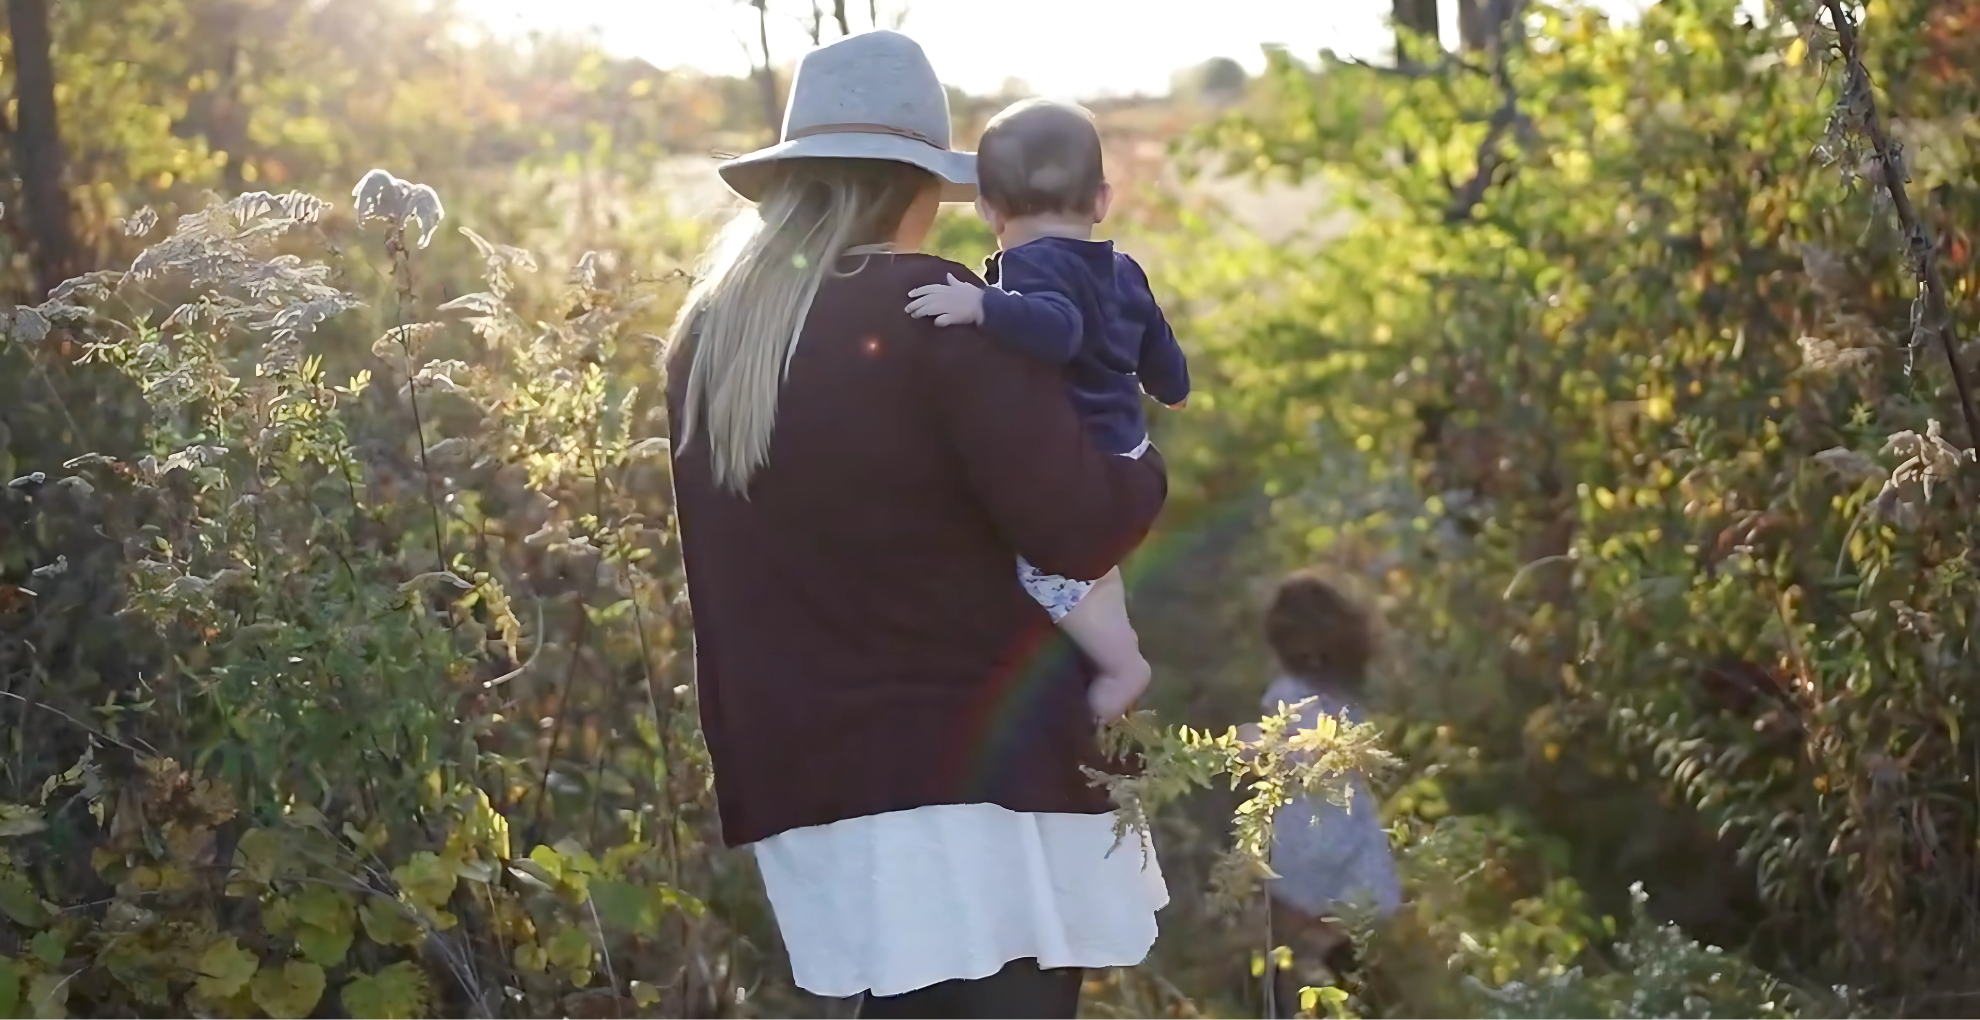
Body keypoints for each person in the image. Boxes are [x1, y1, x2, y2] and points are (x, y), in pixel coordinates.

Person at [663, 31, 1171, 1020]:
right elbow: (1077, 527)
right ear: (920, 187)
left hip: (810, 774)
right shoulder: (939, 317)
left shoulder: (711, 336)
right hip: (983, 775)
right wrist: (1138, 459)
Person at [901, 98, 1189, 724]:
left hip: (1086, 469)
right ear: (1101, 199)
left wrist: (982, 307)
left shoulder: (1028, 268)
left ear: (988, 210)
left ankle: (1119, 666)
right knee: (1092, 570)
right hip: (1130, 454)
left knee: (1046, 568)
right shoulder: (1123, 269)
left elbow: (1058, 330)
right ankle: (1119, 645)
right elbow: (1158, 345)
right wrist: (1173, 387)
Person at [1236, 570, 1402, 1018]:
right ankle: (1360, 997)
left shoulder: (1289, 695)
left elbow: (1289, 753)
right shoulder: (1345, 696)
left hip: (1304, 830)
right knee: (1338, 933)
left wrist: (1242, 746)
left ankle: (1285, 1005)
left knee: (1283, 935)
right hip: (1347, 825)